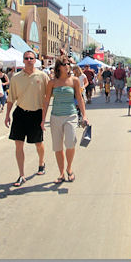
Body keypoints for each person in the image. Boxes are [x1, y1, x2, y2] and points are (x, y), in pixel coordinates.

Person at [4, 51, 49, 187]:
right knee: (18, 144)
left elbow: (48, 97)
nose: (29, 60)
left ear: (35, 60)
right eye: (26, 58)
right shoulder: (16, 78)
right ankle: (21, 174)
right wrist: (7, 115)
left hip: (36, 114)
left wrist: (44, 118)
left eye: (31, 58)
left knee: (38, 143)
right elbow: (11, 98)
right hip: (20, 114)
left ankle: (41, 162)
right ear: (23, 60)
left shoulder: (42, 76)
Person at [42, 54, 87, 184]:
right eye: (64, 64)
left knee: (70, 143)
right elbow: (46, 101)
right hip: (55, 116)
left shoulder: (74, 81)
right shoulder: (52, 82)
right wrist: (42, 119)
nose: (67, 66)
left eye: (68, 64)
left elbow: (79, 98)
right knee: (57, 147)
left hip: (71, 115)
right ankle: (61, 173)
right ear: (58, 67)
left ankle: (69, 168)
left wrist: (84, 115)